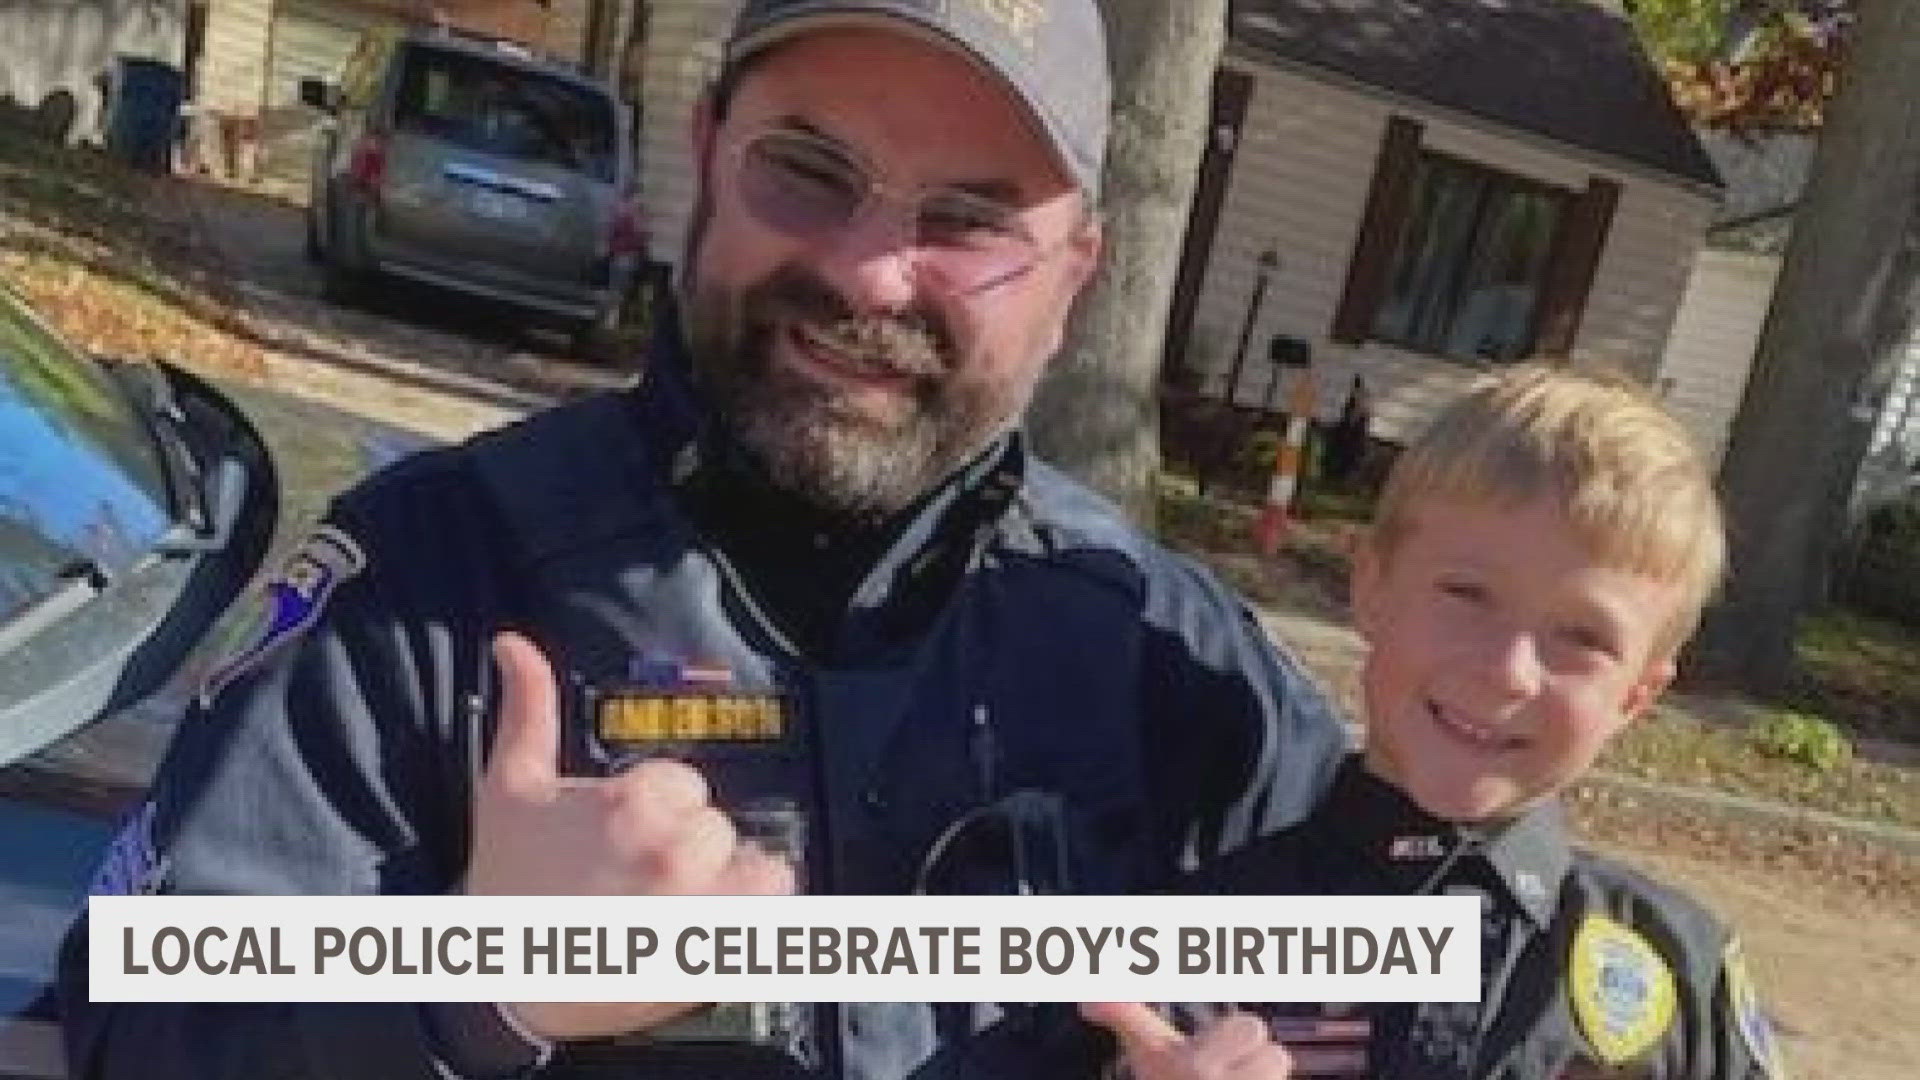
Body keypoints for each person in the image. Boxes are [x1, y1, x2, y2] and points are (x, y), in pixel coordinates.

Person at [56, 1, 1347, 1077]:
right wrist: (476, 993)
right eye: (809, 167)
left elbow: (1399, 988)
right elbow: (134, 1012)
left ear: (1075, 276)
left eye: (968, 218)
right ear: (708, 155)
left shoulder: (1174, 657)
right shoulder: (432, 580)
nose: (869, 273)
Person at [1098, 366, 1789, 1079]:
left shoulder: (1674, 971)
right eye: (1468, 594)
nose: (1509, 669)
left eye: (1582, 638)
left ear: (1638, 695)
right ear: (1371, 587)